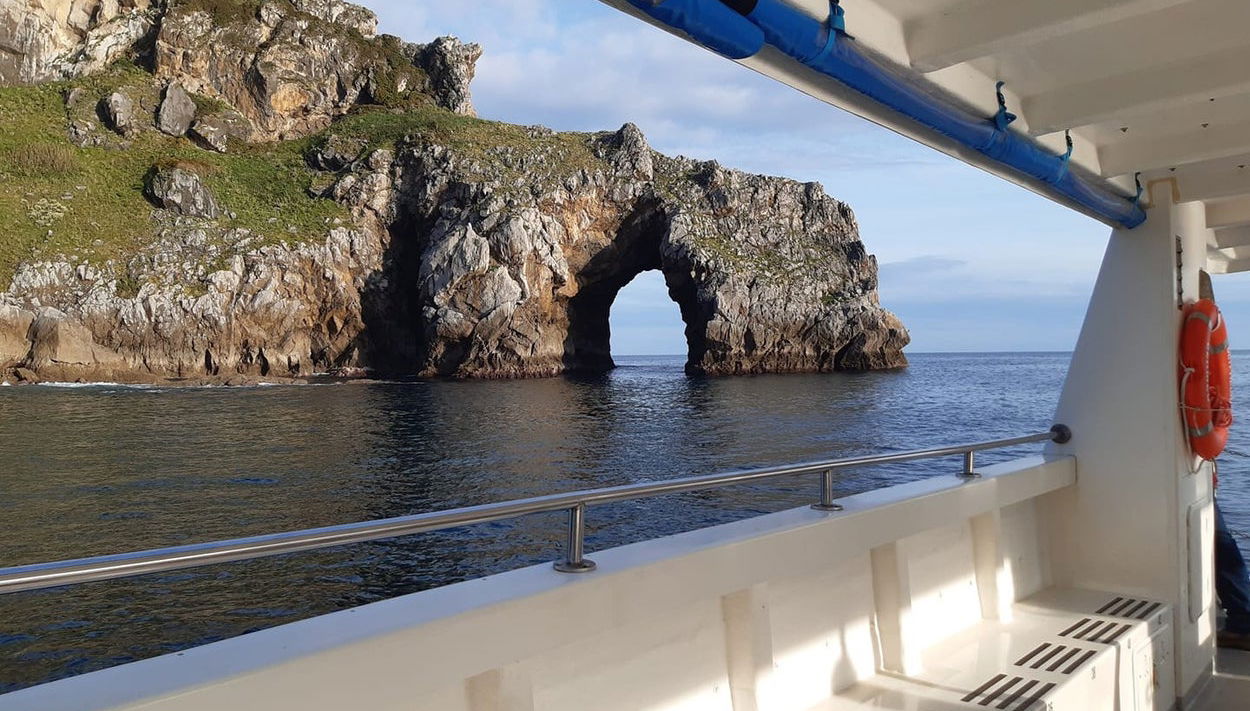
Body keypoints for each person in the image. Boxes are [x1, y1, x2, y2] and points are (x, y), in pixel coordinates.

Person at [1200, 270, 1250, 650]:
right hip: (1200, 468)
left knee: (1221, 542)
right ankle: (1242, 615)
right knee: (1222, 542)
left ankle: (1243, 620)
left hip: (1197, 470)